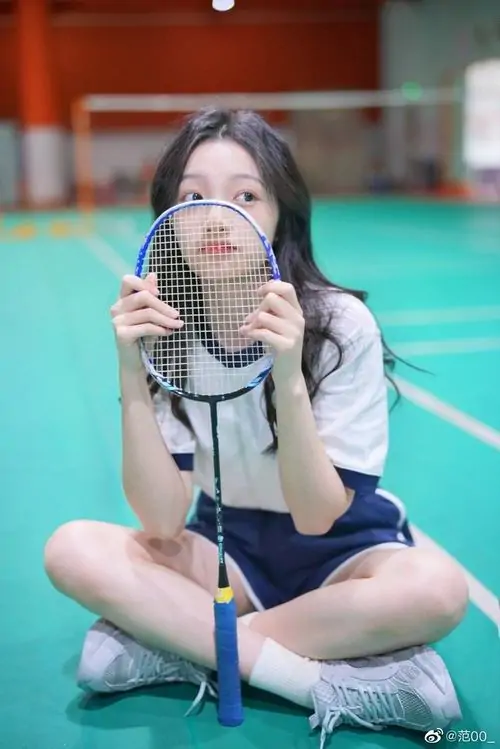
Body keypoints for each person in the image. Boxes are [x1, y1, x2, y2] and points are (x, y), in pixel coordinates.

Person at [44, 109, 468, 745]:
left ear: (279, 214)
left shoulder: (341, 326)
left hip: (345, 551)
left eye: (245, 196)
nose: (217, 218)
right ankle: (316, 680)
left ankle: (179, 644)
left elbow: (318, 517)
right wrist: (132, 375)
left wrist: (289, 378)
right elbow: (161, 521)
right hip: (227, 547)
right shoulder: (167, 331)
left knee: (436, 590)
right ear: (168, 220)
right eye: (194, 198)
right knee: (72, 548)